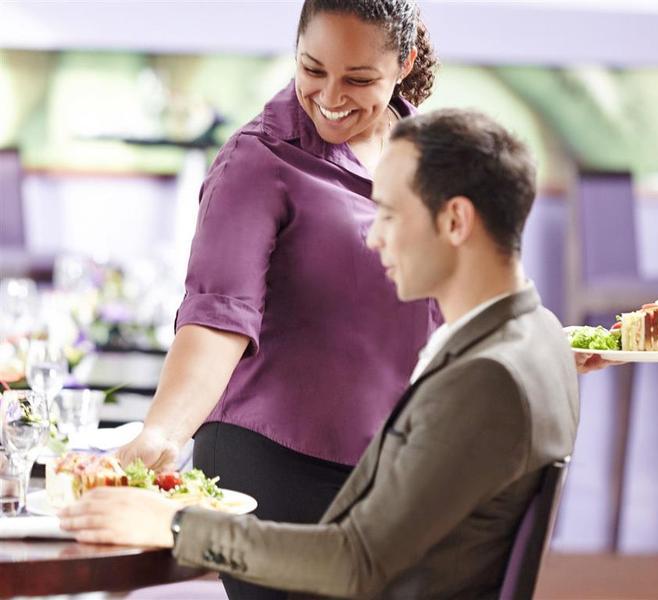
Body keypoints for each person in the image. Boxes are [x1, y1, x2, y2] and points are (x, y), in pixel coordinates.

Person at [61, 108, 580, 599]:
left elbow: (354, 561)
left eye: (388, 215)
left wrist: (174, 526)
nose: (374, 239)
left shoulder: (484, 377)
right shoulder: (543, 337)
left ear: (455, 221)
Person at [116, 3, 439, 598]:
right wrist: (164, 432)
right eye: (312, 69)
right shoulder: (258, 159)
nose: (330, 97)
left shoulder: (437, 159)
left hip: (400, 471)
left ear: (403, 64)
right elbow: (217, 317)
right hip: (279, 465)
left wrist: (537, 345)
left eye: (358, 79)